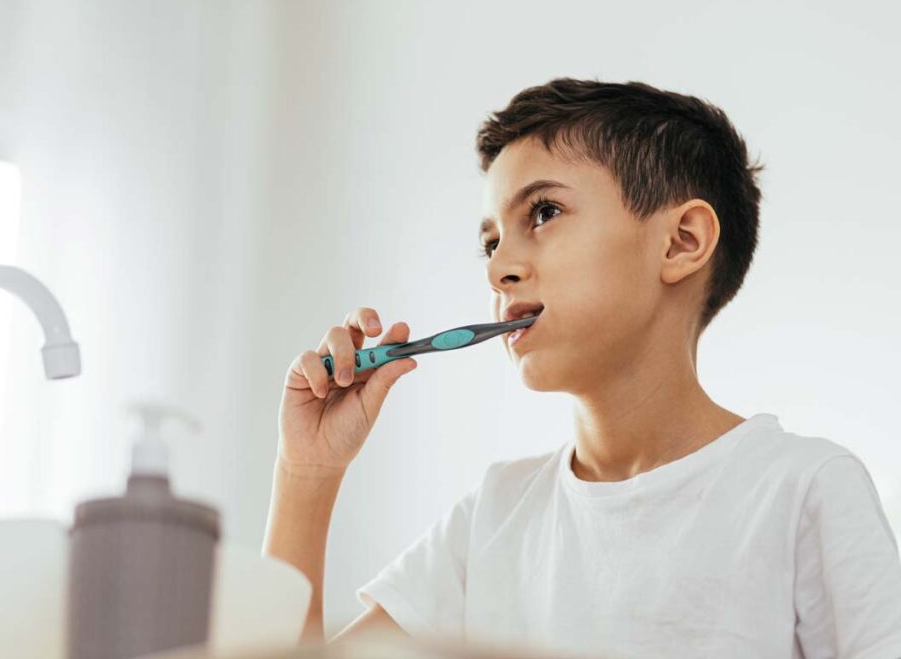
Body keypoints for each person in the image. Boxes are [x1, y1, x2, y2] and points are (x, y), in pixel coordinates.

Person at [263, 78, 901, 657]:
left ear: (682, 243)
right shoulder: (495, 517)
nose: (497, 267)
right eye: (490, 242)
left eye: (543, 213)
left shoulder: (803, 490)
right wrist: (307, 471)